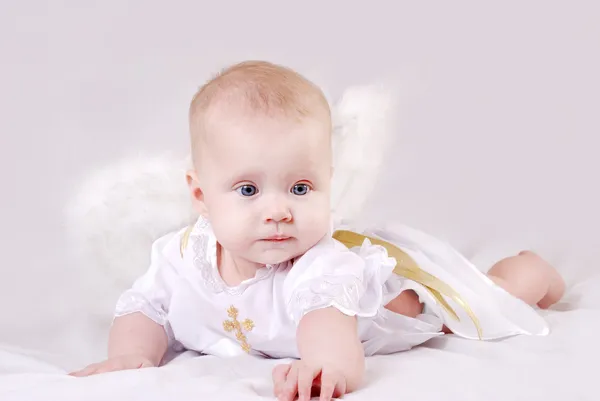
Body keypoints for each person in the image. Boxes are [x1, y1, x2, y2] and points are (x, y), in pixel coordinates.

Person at [70, 60, 565, 401]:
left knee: (480, 298)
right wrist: (132, 355)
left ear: (329, 183)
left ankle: (528, 270)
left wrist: (325, 370)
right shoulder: (182, 257)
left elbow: (331, 339)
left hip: (399, 302)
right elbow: (144, 307)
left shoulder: (320, 266)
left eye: (301, 188)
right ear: (200, 195)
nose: (279, 211)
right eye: (247, 190)